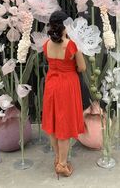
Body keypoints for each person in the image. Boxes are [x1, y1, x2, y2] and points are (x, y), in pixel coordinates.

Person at [42, 10, 86, 179]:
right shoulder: (71, 45)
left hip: (52, 85)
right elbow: (82, 68)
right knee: (64, 127)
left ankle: (57, 159)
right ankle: (62, 164)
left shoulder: (46, 45)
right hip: (67, 86)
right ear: (64, 26)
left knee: (53, 125)